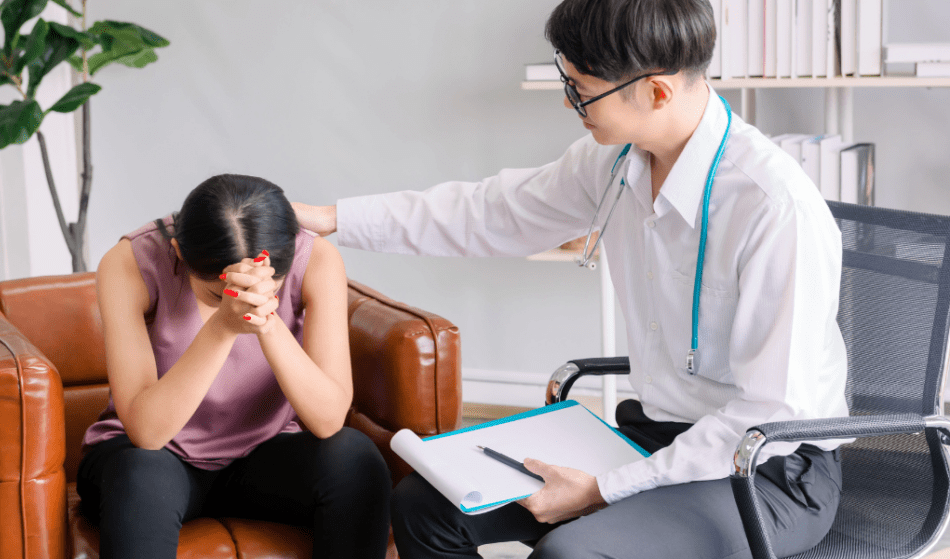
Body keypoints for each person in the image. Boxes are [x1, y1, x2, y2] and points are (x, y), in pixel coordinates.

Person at [293, 0, 849, 557]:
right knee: (426, 505)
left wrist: (604, 491)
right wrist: (334, 219)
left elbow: (770, 415)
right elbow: (489, 213)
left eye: (582, 88)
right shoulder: (614, 162)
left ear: (657, 92)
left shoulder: (774, 209)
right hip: (654, 435)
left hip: (765, 468)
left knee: (571, 553)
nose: (569, 100)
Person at [77, 174, 391, 559]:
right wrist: (222, 328)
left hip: (265, 451)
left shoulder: (316, 258)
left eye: (265, 290)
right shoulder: (128, 262)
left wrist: (268, 321)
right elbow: (147, 432)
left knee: (355, 459)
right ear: (178, 251)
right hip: (152, 458)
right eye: (216, 294)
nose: (240, 303)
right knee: (140, 477)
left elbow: (327, 421)